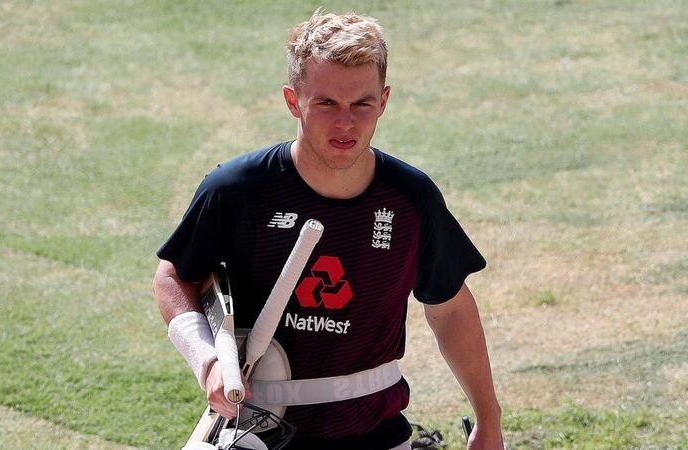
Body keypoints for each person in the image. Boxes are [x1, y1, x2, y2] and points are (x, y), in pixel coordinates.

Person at [152, 10, 504, 450]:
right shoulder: (237, 189)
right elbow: (174, 276)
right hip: (257, 434)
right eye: (326, 104)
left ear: (384, 100)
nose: (346, 124)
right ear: (293, 101)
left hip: (376, 435)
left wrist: (489, 418)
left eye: (362, 104)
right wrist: (207, 361)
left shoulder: (411, 199)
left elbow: (449, 308)